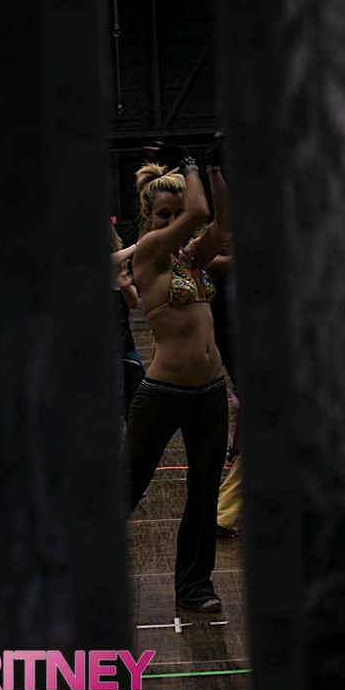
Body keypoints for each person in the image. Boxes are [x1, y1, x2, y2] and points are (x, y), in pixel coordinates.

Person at [121, 137, 229, 613]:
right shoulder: (148, 253)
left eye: (176, 214)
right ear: (148, 219)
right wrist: (189, 163)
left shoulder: (191, 258)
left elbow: (220, 222)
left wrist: (214, 168)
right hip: (163, 392)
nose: (172, 223)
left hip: (211, 391)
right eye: (164, 215)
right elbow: (201, 212)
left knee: (204, 492)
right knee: (128, 484)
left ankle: (195, 588)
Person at [110, 222, 146, 419]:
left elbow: (132, 303)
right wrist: (137, 246)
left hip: (125, 346)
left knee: (136, 402)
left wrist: (124, 286)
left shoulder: (118, 269)